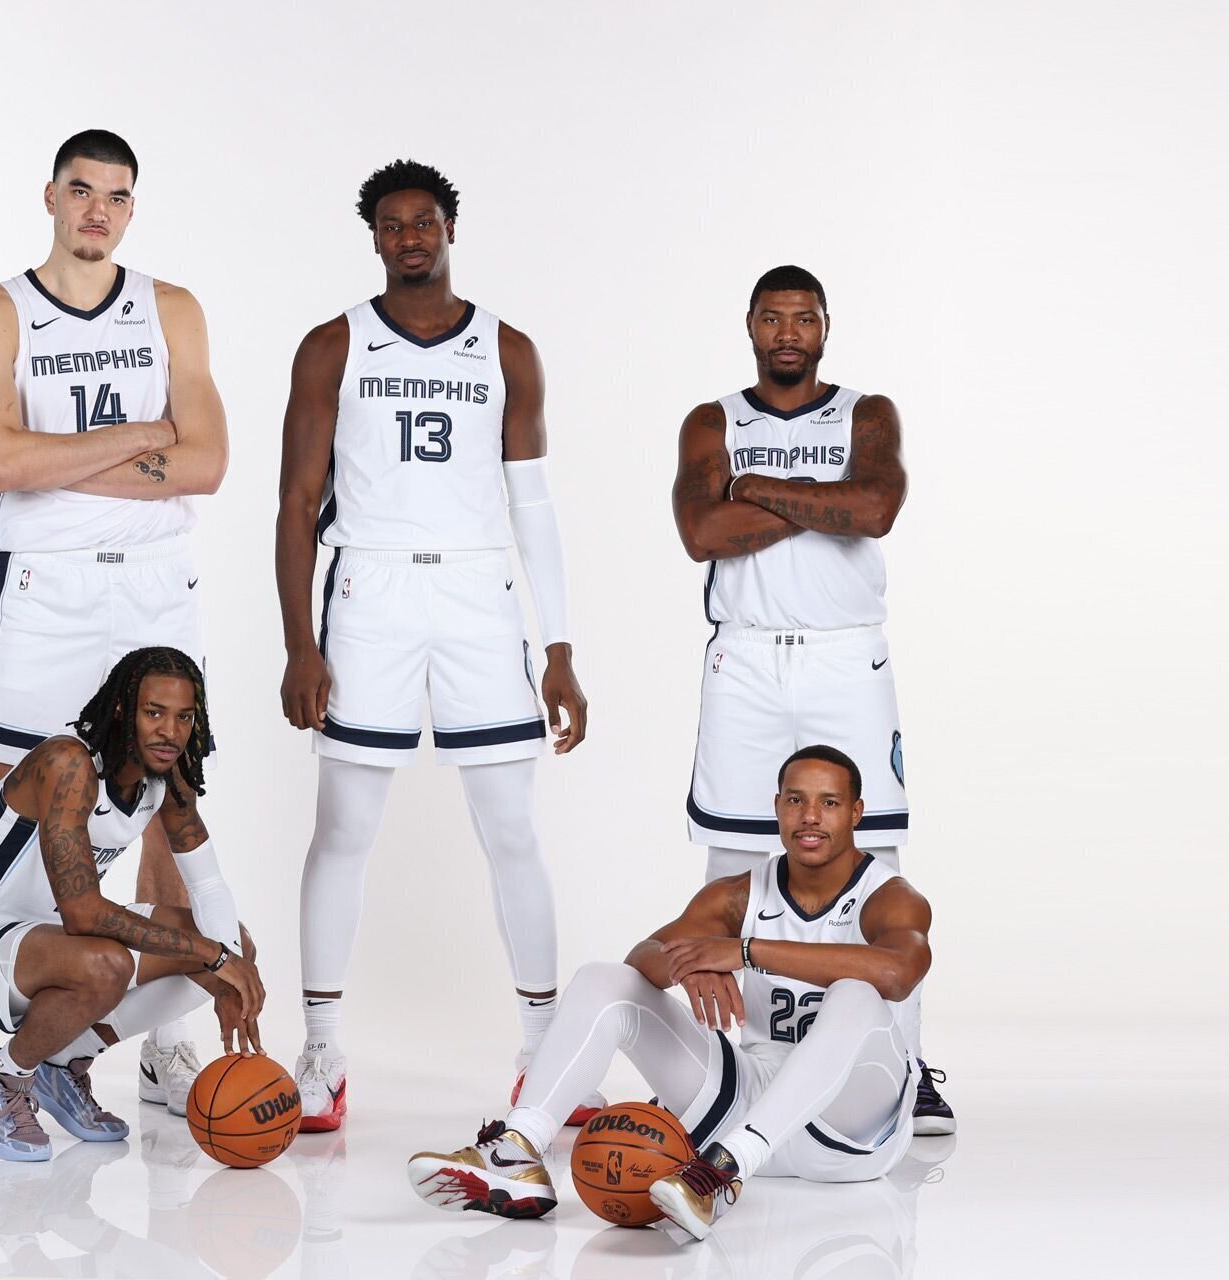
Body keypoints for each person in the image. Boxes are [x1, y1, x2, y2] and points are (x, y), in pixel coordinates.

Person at [0, 128, 231, 1130]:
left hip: (152, 584)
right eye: (83, 190)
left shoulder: (170, 307)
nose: (100, 209)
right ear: (51, 195)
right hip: (44, 590)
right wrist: (139, 436)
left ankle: (160, 1041)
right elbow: (0, 460)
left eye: (119, 196)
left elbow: (208, 461)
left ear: (133, 208)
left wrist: (62, 459)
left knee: (166, 789)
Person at [274, 159, 593, 1132]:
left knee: (511, 828)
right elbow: (294, 499)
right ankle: (324, 1048)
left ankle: (542, 1050)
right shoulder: (335, 344)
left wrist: (560, 644)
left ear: (451, 228)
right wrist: (298, 640)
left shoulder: (509, 348)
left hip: (474, 589)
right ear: (374, 237)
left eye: (425, 222)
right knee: (343, 826)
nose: (410, 237)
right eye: (392, 224)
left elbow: (532, 503)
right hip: (370, 587)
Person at [408, 746, 929, 1241]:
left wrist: (744, 951)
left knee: (856, 995)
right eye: (796, 800)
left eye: (829, 803)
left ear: (856, 812)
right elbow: (645, 955)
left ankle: (725, 1173)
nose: (810, 816)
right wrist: (689, 962)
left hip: (847, 1130)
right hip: (747, 1104)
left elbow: (900, 971)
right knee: (602, 977)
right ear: (777, 807)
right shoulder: (740, 892)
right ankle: (516, 1151)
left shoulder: (889, 896)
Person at [669, 264, 951, 1134]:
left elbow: (876, 507)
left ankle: (901, 1066)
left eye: (804, 318)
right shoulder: (712, 420)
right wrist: (822, 504)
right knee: (729, 866)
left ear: (825, 327)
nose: (787, 332)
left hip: (843, 660)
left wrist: (754, 490)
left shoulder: (866, 413)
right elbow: (700, 532)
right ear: (749, 327)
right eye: (772, 318)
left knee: (875, 865)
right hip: (747, 663)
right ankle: (721, 1070)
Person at [0, 647, 265, 1163]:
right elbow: (83, 913)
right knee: (114, 962)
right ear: (123, 709)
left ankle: (67, 1063)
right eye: (154, 712)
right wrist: (212, 956)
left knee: (237, 943)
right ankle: (2, 1077)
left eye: (184, 716)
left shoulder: (166, 776)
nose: (170, 731)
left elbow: (209, 887)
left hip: (47, 938)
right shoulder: (68, 762)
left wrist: (230, 969)